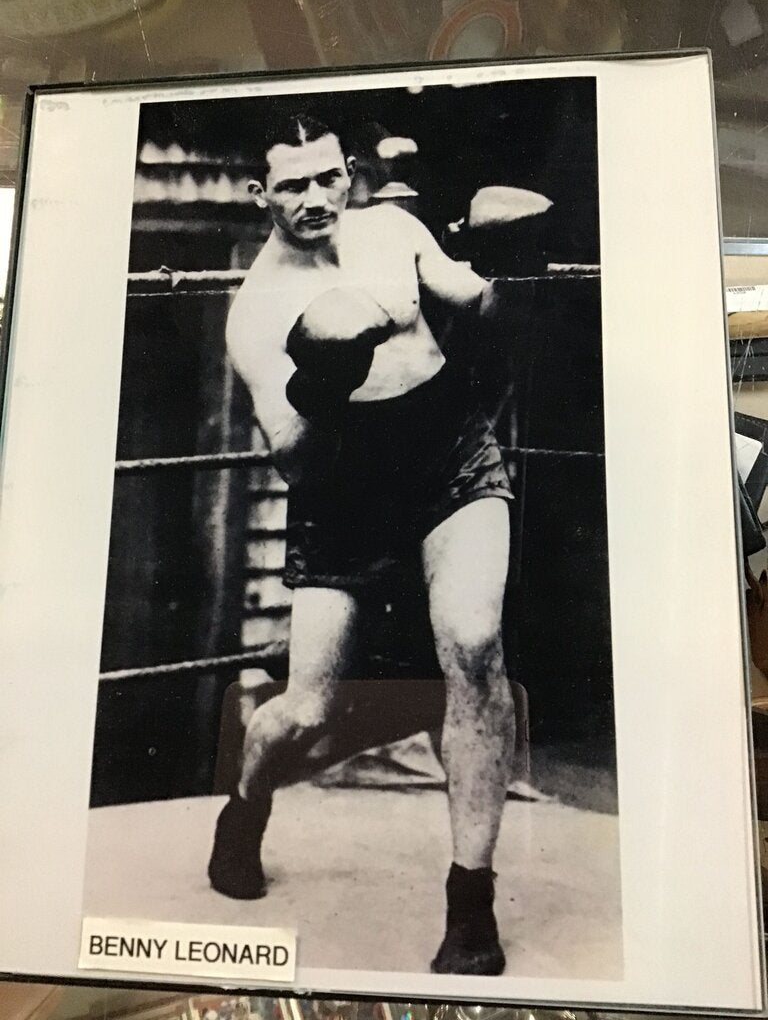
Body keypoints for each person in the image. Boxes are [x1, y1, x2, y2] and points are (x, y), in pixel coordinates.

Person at [208, 113, 515, 977]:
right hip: (341, 490)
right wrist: (326, 376)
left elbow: (476, 302)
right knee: (305, 709)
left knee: (475, 643)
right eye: (293, 185)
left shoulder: (392, 228)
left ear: (347, 173)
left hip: (450, 454)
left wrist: (509, 263)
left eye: (327, 178)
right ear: (257, 194)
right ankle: (244, 809)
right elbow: (296, 462)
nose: (315, 199)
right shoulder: (257, 312)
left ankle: (471, 907)